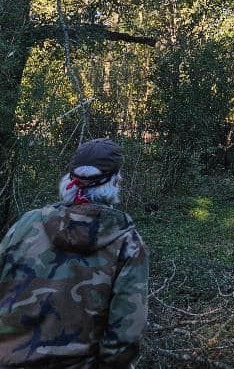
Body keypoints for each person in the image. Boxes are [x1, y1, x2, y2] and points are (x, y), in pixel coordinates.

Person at [0, 139, 148, 368]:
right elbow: (124, 339)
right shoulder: (127, 243)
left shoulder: (26, 223)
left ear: (70, 180)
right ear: (116, 181)